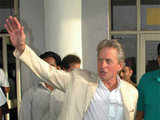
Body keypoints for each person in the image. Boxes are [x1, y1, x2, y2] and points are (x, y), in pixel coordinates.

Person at [5, 16, 138, 120]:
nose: (102, 65)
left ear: (120, 65)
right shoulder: (79, 81)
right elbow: (48, 73)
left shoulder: (131, 93)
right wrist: (22, 48)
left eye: (108, 61)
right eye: (100, 60)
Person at [19, 51, 64, 120]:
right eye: (43, 67)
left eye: (50, 66)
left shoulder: (67, 93)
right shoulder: (30, 94)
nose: (46, 70)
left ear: (58, 68)